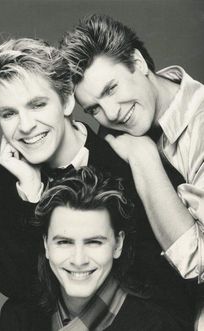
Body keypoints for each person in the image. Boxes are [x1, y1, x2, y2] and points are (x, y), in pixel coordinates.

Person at [0, 37, 192, 324]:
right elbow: (21, 288)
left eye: (37, 105)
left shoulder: (131, 158)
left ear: (66, 100)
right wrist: (32, 197)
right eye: (9, 113)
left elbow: (171, 279)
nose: (25, 126)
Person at [60, 12, 204, 309]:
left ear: (138, 63)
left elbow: (197, 261)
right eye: (94, 108)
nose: (111, 113)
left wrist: (144, 159)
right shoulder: (116, 136)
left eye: (111, 89)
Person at [0, 167, 191, 331]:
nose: (79, 260)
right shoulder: (18, 319)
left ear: (118, 244)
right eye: (64, 242)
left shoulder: (157, 326)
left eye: (94, 242)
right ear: (46, 245)